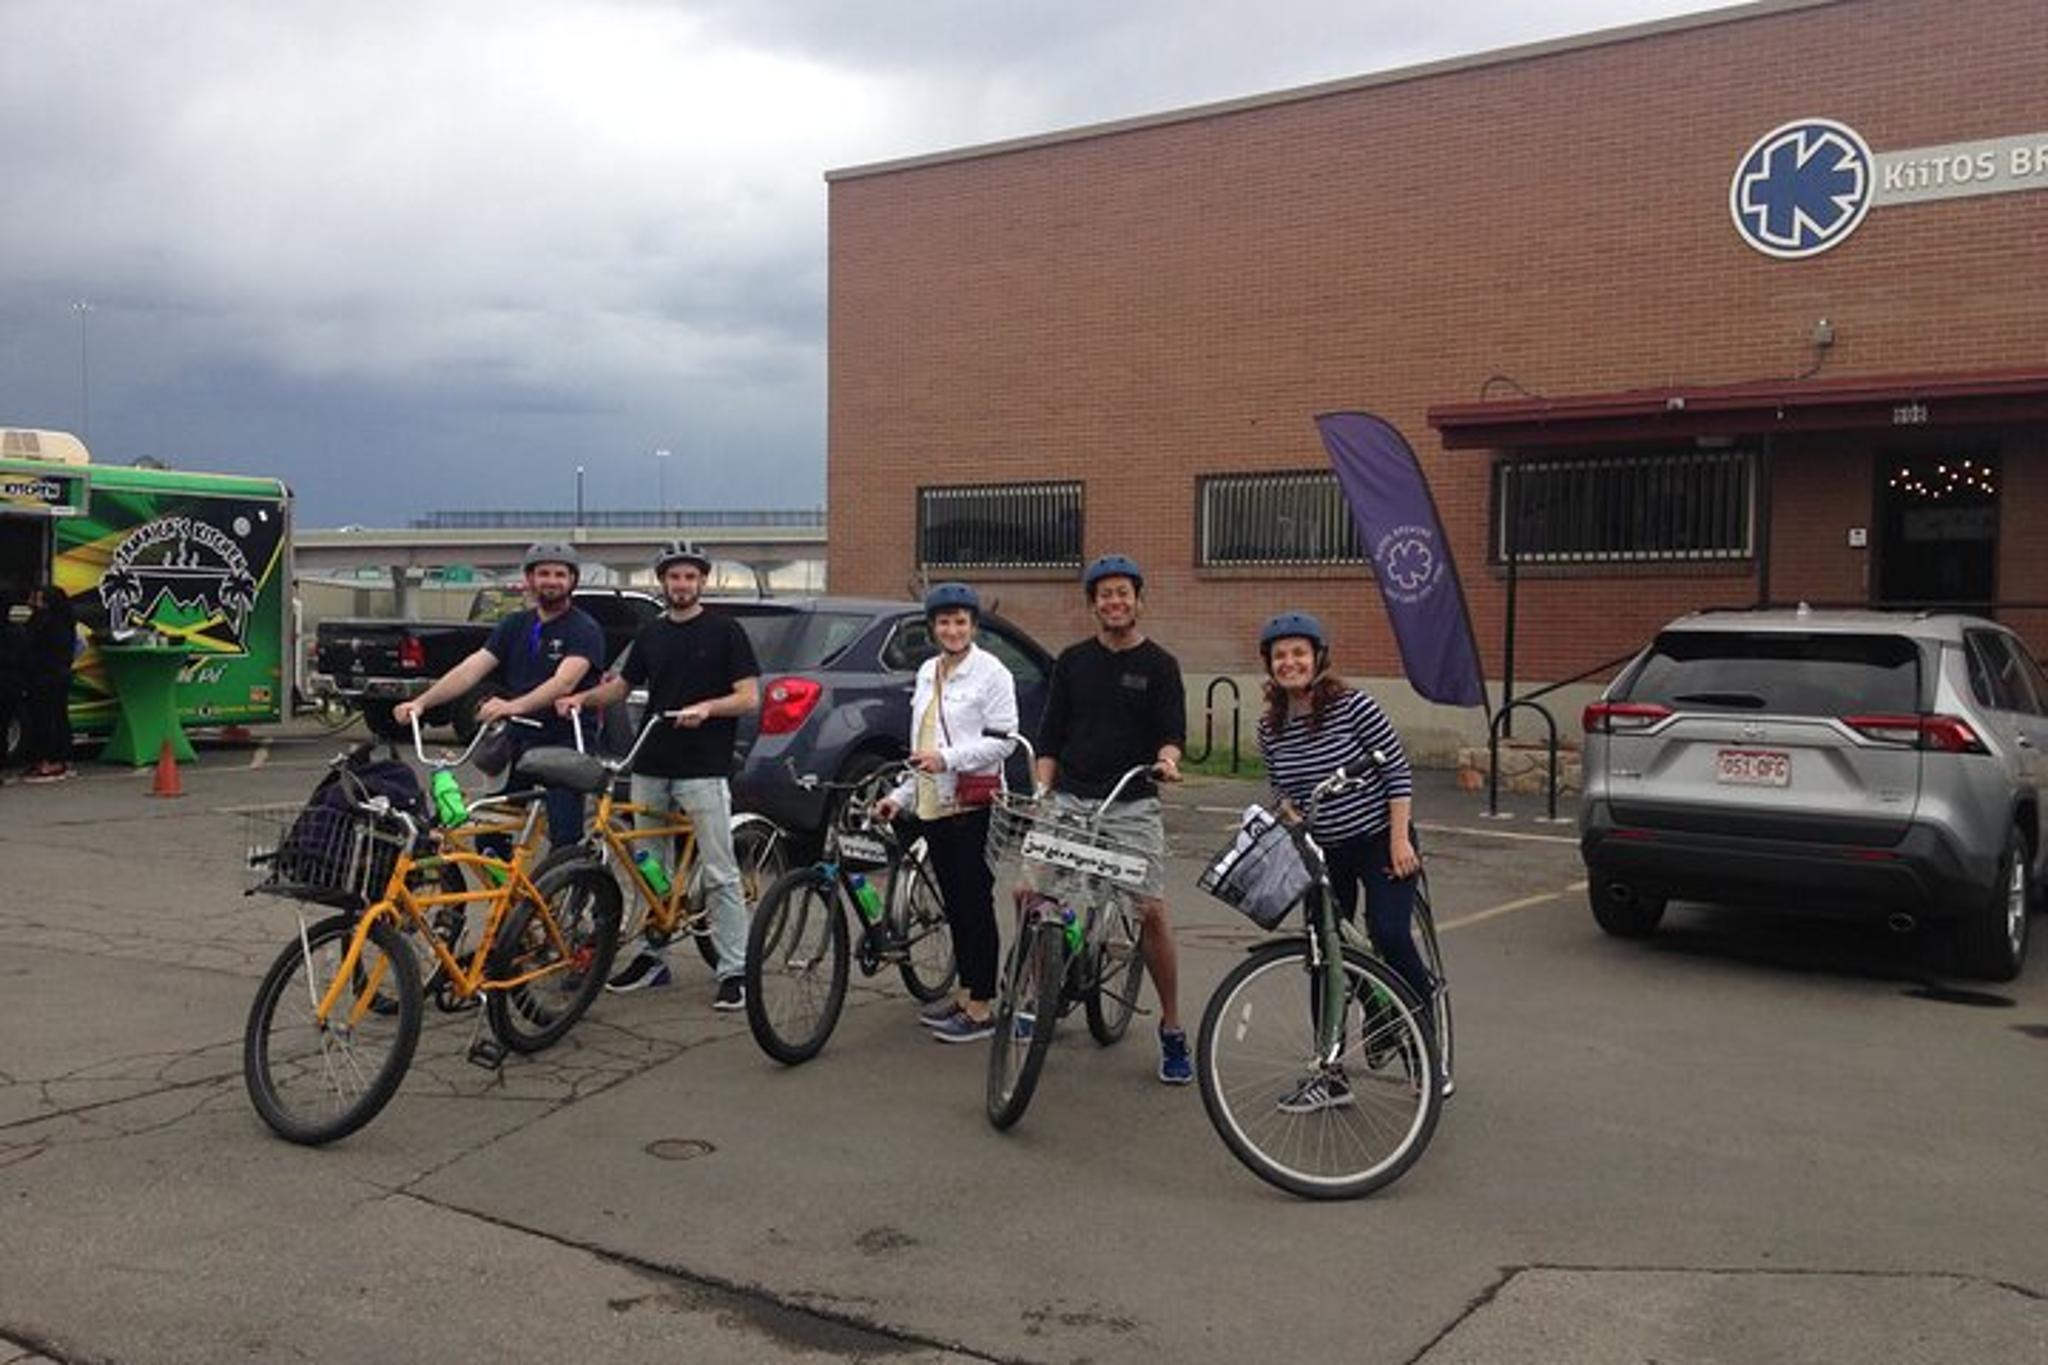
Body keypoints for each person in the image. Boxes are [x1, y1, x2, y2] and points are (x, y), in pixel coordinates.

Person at [556, 540, 759, 1011]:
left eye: (690, 576)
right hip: (651, 762)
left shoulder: (726, 631)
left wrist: (708, 708)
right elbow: (623, 687)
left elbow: (748, 697)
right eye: (674, 576)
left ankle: (735, 970)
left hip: (703, 766)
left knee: (720, 871)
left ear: (702, 581)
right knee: (651, 868)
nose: (681, 584)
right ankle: (654, 957)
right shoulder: (652, 634)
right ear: (662, 582)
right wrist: (581, 700)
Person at [1253, 610, 1444, 1109]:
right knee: (1323, 954)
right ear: (1270, 666)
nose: (1290, 662)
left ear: (1318, 657)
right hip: (1325, 852)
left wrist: (1401, 840)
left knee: (1389, 934)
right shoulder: (1270, 728)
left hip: (1381, 838)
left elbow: (1397, 771)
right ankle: (1331, 1074)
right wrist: (1287, 817)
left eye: (1299, 653)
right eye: (1280, 656)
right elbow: (1282, 792)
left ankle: (1427, 1054)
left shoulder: (1354, 706)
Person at [1034, 554, 1190, 1084]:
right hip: (1071, 799)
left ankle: (1171, 1028)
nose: (1115, 601)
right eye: (1105, 594)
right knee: (1028, 894)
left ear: (1138, 600)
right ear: (1093, 605)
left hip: (1131, 803)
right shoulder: (1072, 661)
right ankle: (1042, 992)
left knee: (1148, 911)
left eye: (1123, 593)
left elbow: (1172, 733)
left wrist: (1167, 762)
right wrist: (1041, 789)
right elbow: (1050, 736)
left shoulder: (1160, 665)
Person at [874, 583, 1018, 1043]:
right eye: (943, 622)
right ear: (932, 627)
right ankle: (963, 994)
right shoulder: (926, 671)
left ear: (974, 626)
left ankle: (982, 1007)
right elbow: (924, 742)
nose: (952, 630)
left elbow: (1004, 741)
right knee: (953, 902)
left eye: (961, 622)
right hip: (935, 801)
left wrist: (949, 761)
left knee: (975, 901)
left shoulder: (992, 672)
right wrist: (901, 795)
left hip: (976, 802)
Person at [394, 542, 603, 849]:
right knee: (489, 832)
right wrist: (421, 702)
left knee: (565, 839)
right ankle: (510, 895)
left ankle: (567, 891)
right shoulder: (515, 625)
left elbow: (563, 683)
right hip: (519, 743)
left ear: (573, 580)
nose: (552, 580)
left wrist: (511, 706)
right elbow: (472, 669)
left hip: (564, 745)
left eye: (561, 574)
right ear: (529, 579)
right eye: (543, 573)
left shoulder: (584, 629)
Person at [19, 582, 77, 783]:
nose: (35, 602)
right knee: (49, 717)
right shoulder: (48, 620)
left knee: (51, 718)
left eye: (39, 598)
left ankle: (54, 760)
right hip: (46, 676)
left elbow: (45, 651)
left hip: (50, 677)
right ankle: (49, 759)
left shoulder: (54, 624)